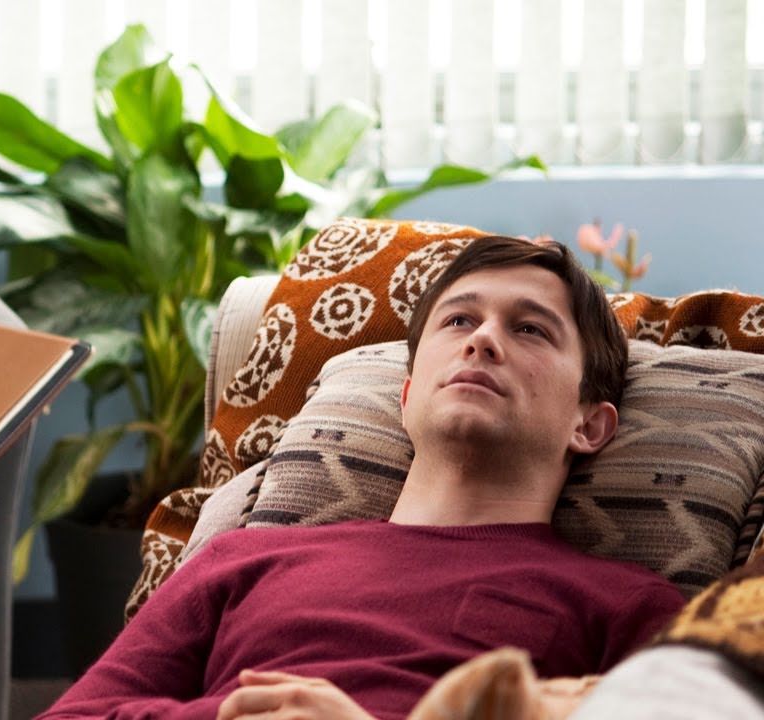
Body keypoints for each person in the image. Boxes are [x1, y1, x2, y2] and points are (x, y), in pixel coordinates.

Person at [37, 236, 689, 720]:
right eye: (459, 320)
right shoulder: (243, 559)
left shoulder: (630, 607)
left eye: (530, 329)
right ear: (406, 398)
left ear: (589, 424)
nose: (483, 340)